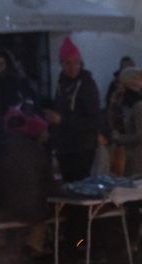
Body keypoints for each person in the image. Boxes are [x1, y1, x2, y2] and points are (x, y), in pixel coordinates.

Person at [0, 108, 55, 254]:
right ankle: (34, 247)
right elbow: (48, 182)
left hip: (3, 209)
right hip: (32, 209)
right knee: (41, 218)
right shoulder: (36, 150)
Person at [46, 37, 102, 181]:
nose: (72, 67)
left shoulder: (87, 85)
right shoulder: (61, 84)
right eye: (68, 63)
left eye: (76, 63)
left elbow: (92, 119)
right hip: (65, 147)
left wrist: (62, 120)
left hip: (82, 146)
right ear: (62, 64)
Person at [109, 66, 142, 178]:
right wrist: (113, 105)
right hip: (127, 155)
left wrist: (119, 137)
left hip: (139, 158)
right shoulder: (124, 104)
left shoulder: (139, 105)